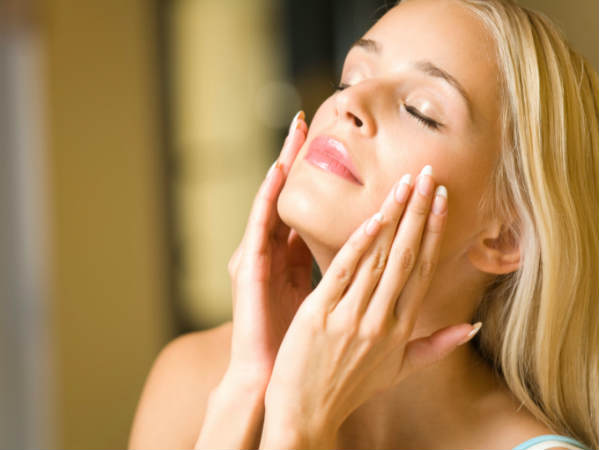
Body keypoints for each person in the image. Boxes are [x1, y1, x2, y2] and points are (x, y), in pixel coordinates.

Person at [128, 0, 598, 448]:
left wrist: (298, 424)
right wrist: (249, 387)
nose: (349, 102)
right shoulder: (192, 378)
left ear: (507, 237)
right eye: (349, 78)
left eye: (420, 111)